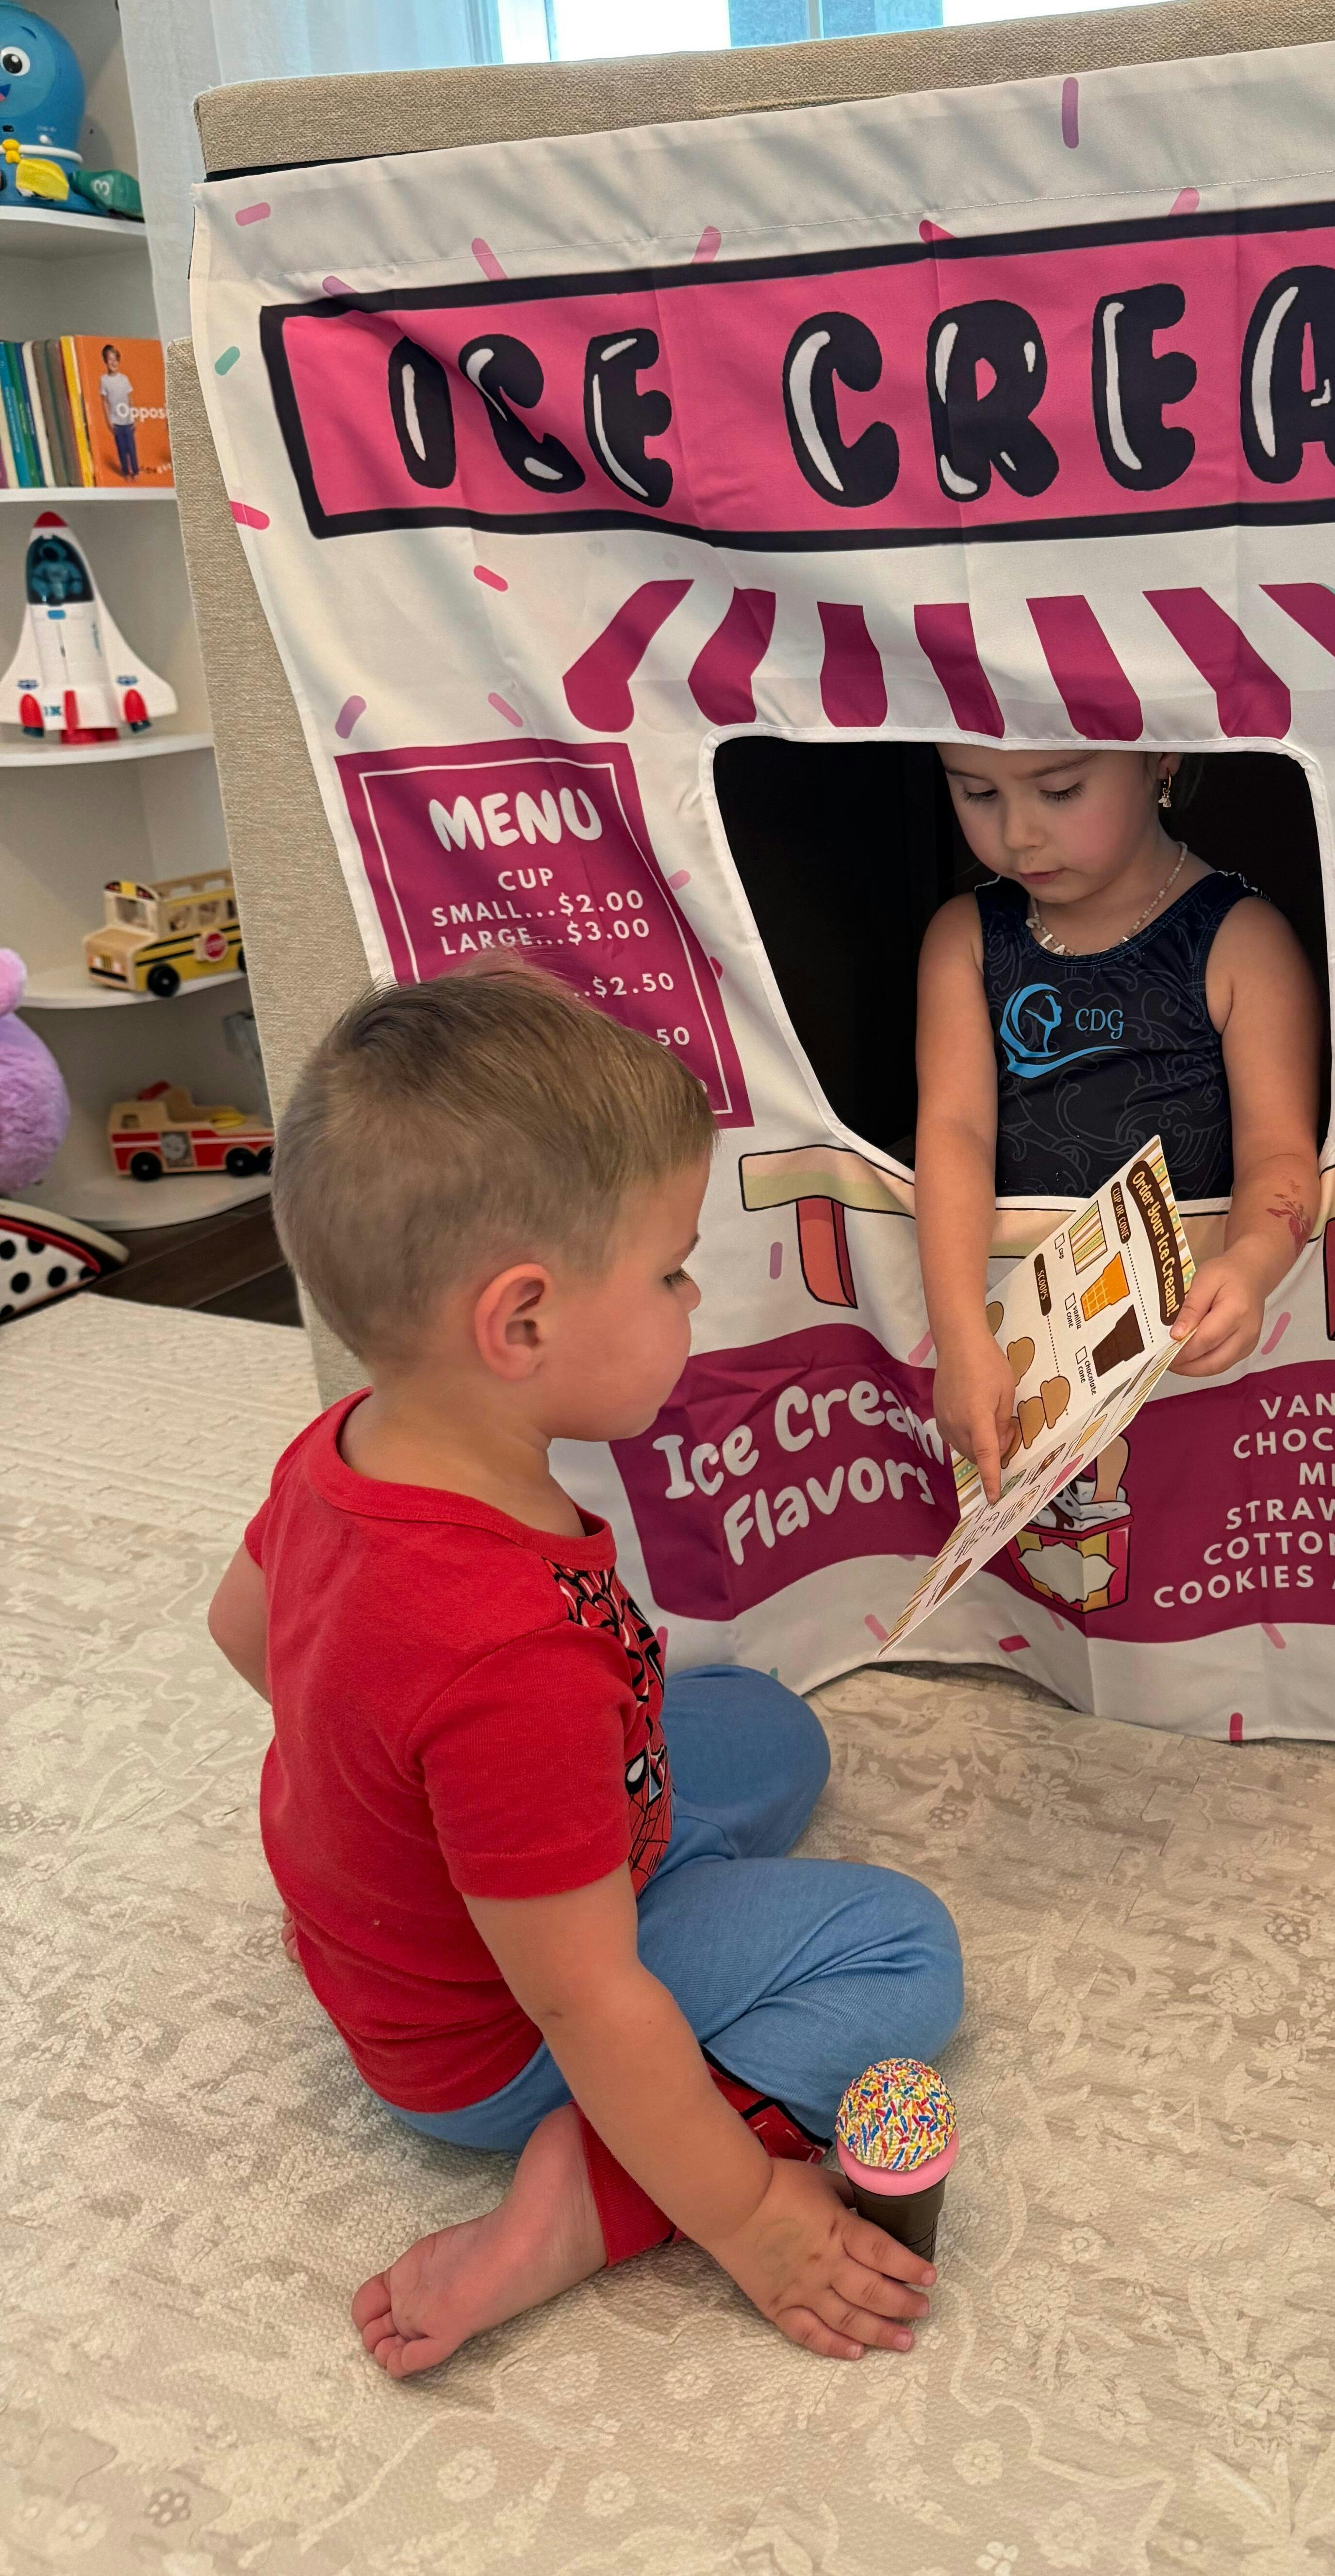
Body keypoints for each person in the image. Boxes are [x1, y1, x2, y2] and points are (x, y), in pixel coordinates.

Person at [207, 959, 962, 2376]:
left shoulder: (345, 1446)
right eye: (669, 1269)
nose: (693, 1292)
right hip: (493, 2040)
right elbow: (585, 1998)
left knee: (769, 1727)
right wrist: (755, 2220)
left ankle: (570, 1888)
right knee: (902, 1947)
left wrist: (398, 1811)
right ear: (523, 1322)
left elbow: (242, 1628)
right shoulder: (506, 1648)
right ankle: (585, 2198)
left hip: (463, 1909)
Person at [916, 745, 1322, 1499]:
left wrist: (1254, 1262)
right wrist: (960, 1334)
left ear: (1159, 756)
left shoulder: (1244, 940)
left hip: (1193, 1357)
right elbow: (953, 1133)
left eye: (1060, 790)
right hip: (1018, 1361)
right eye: (977, 793)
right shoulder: (966, 937)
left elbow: (1280, 1151)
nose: (1019, 834)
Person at [98, 343, 138, 478]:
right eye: (110, 360)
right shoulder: (104, 380)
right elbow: (104, 402)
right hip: (116, 421)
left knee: (131, 447)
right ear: (106, 361)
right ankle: (126, 472)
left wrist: (134, 416)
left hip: (128, 420)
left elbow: (130, 398)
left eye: (115, 360)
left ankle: (135, 472)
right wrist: (108, 421)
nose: (113, 363)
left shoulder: (124, 379)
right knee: (122, 448)